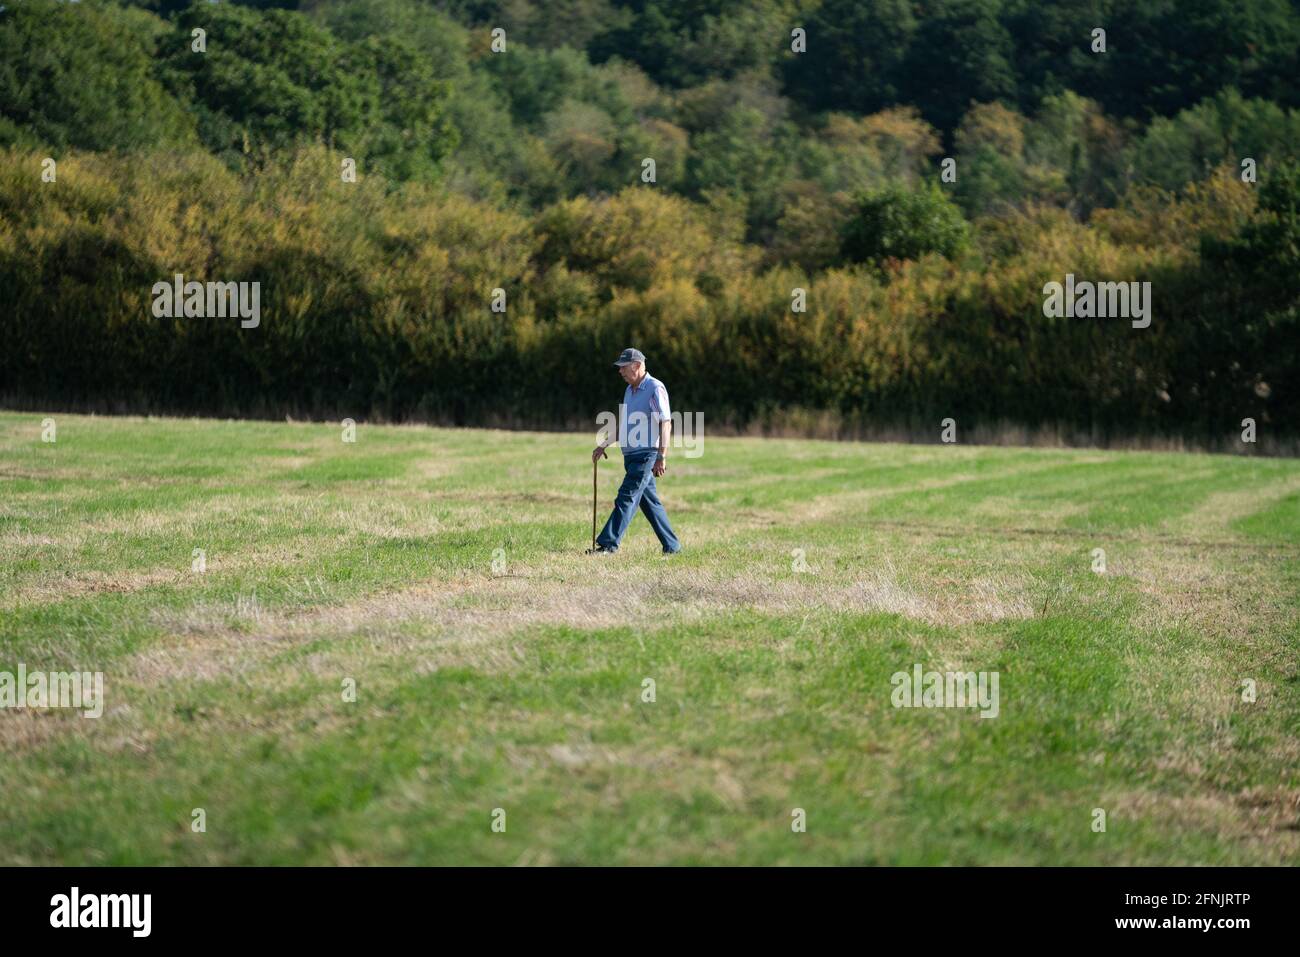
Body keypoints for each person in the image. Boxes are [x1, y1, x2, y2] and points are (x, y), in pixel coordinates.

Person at [589, 348, 681, 555]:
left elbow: (665, 423)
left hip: (646, 455)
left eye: (623, 367)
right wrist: (603, 444)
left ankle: (608, 545)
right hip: (630, 456)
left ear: (637, 366)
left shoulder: (655, 388)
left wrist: (661, 456)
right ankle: (672, 546)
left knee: (626, 496)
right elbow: (625, 426)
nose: (620, 371)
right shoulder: (629, 391)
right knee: (651, 504)